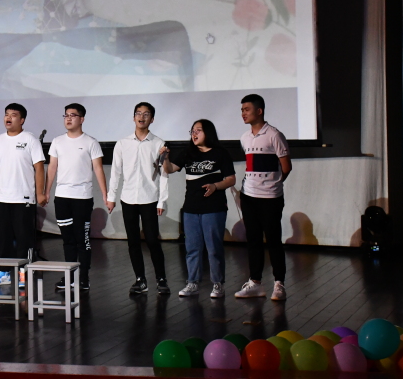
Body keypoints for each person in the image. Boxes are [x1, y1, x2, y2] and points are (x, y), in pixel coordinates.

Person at [162, 120, 235, 298]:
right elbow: (170, 169)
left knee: (213, 248)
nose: (194, 134)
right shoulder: (188, 152)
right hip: (191, 208)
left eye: (198, 130)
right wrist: (165, 157)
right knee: (192, 248)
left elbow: (231, 179)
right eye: (192, 131)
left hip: (214, 207)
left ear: (208, 132)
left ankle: (218, 284)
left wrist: (215, 186)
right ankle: (192, 282)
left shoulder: (220, 153)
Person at [45, 103, 110, 291]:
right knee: (68, 240)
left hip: (82, 197)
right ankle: (69, 276)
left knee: (82, 239)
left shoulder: (90, 142)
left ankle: (83, 277)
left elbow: (98, 169)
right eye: (66, 115)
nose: (68, 118)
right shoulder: (57, 141)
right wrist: (46, 191)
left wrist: (105, 194)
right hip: (62, 197)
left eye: (73, 115)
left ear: (82, 119)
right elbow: (52, 168)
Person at [108, 102, 170, 295]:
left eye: (146, 114)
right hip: (128, 198)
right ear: (133, 117)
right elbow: (115, 172)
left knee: (152, 240)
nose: (141, 117)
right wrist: (111, 197)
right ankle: (140, 280)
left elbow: (164, 174)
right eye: (138, 113)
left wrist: (162, 200)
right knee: (133, 242)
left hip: (149, 198)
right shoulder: (122, 143)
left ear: (152, 119)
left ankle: (161, 279)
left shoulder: (158, 143)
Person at [235, 94, 292, 301]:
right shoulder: (244, 137)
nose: (243, 113)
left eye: (247, 109)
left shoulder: (274, 135)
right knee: (253, 240)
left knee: (273, 240)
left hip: (270, 197)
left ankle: (279, 284)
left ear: (259, 111)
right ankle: (255, 283)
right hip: (249, 196)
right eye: (242, 110)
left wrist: (272, 184)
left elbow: (286, 167)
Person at [0, 103, 47, 287]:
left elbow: (39, 168)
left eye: (13, 115)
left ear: (22, 120)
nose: (8, 118)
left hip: (24, 198)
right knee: (2, 237)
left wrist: (40, 193)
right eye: (6, 114)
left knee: (24, 238)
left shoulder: (30, 140)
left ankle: (23, 272)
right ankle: (3, 272)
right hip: (2, 198)